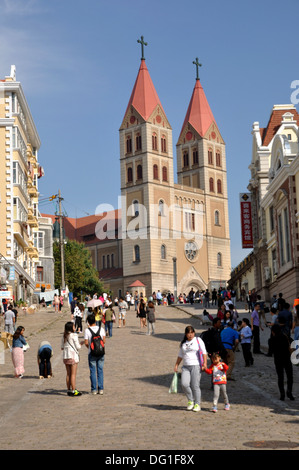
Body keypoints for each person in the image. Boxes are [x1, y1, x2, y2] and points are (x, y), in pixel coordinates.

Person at [174, 325, 207, 412]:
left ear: (194, 333)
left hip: (196, 365)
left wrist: (205, 363)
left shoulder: (198, 340)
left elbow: (204, 352)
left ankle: (197, 404)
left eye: (192, 332)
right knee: (184, 384)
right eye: (188, 333)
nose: (190, 335)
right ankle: (190, 400)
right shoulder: (183, 344)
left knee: (195, 385)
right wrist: (176, 364)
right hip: (185, 366)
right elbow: (180, 355)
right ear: (185, 334)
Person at [270, 324, 294, 401]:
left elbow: (270, 351)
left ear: (273, 331)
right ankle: (289, 391)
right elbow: (293, 343)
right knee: (289, 376)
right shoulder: (285, 336)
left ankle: (282, 394)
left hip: (278, 360)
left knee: (280, 377)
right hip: (287, 359)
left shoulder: (271, 340)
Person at [84, 313, 106, 395]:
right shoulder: (101, 329)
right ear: (95, 321)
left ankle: (94, 389)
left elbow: (86, 342)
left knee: (92, 371)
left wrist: (91, 348)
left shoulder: (87, 331)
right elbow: (104, 341)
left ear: (88, 322)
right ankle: (101, 389)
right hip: (101, 352)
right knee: (100, 370)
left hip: (92, 353)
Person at [61, 322, 83, 396]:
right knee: (73, 374)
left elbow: (62, 347)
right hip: (73, 356)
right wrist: (82, 343)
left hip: (66, 356)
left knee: (68, 374)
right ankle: (74, 390)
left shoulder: (64, 336)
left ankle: (68, 389)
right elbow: (78, 347)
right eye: (74, 326)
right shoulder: (74, 335)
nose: (75, 327)